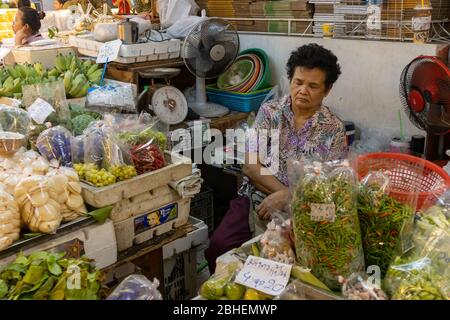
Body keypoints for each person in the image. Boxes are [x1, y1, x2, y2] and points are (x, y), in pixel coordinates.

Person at [205, 43, 348, 273]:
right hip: (257, 197)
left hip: (307, 209)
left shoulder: (334, 129)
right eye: (298, 82)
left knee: (298, 267)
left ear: (327, 89)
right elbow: (251, 166)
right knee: (219, 248)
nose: (303, 90)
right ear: (290, 79)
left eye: (313, 86)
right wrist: (282, 193)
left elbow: (332, 190)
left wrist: (290, 199)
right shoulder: (269, 113)